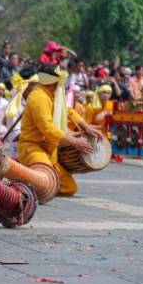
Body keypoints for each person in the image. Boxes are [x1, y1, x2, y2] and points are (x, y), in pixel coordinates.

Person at [18, 64, 103, 196]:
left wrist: (86, 126)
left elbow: (68, 111)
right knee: (44, 182)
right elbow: (47, 128)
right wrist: (75, 142)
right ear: (53, 81)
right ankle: (17, 179)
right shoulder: (39, 97)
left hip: (50, 151)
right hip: (32, 148)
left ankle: (33, 180)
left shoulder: (52, 96)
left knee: (70, 187)